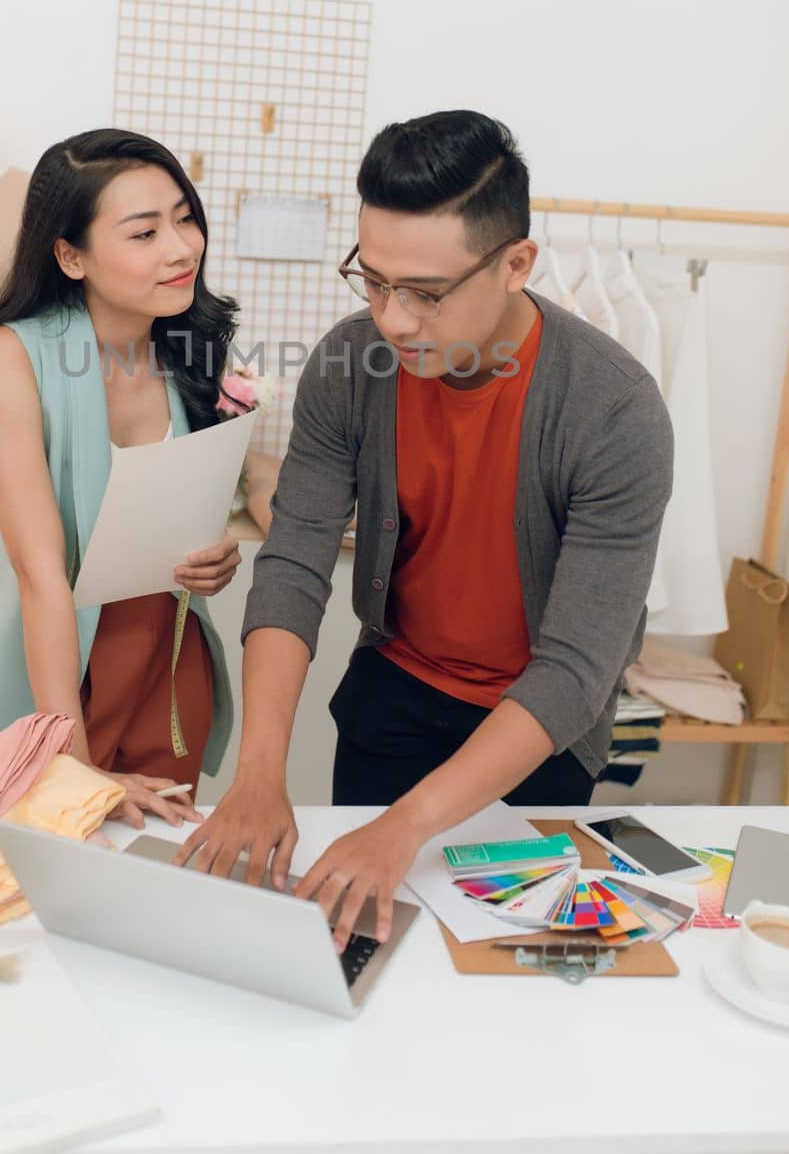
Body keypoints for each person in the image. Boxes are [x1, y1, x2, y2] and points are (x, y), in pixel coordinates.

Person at [177, 109, 674, 949]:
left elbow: (575, 671)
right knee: (355, 952)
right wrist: (260, 772)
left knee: (502, 968)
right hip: (395, 700)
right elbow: (295, 563)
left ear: (516, 264)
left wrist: (406, 828)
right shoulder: (350, 362)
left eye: (426, 294)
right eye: (373, 281)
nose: (394, 319)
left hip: (538, 735)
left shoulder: (613, 412)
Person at [0, 129, 245, 829]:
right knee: (34, 873)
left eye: (184, 217)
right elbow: (39, 572)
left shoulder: (189, 345)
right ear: (69, 254)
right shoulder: (12, 355)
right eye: (144, 232)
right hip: (59, 669)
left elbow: (209, 486)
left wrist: (220, 546)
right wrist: (74, 762)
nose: (181, 247)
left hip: (171, 670)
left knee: (145, 883)